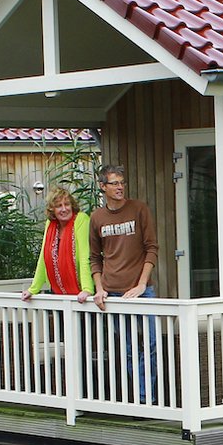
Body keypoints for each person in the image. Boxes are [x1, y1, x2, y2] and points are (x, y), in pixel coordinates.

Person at [87, 165, 160, 402]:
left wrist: (141, 285)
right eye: (114, 183)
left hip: (141, 290)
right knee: (129, 348)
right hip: (113, 292)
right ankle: (140, 397)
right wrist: (99, 289)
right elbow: (94, 257)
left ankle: (147, 396)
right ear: (103, 187)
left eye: (122, 182)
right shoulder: (97, 217)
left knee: (150, 343)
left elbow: (152, 248)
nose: (120, 187)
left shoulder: (139, 209)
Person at [20, 186, 94, 301]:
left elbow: (85, 256)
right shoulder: (50, 224)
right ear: (52, 209)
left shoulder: (81, 219)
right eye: (59, 206)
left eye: (67, 204)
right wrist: (33, 289)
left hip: (81, 292)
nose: (64, 209)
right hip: (58, 292)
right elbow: (44, 257)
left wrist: (87, 289)